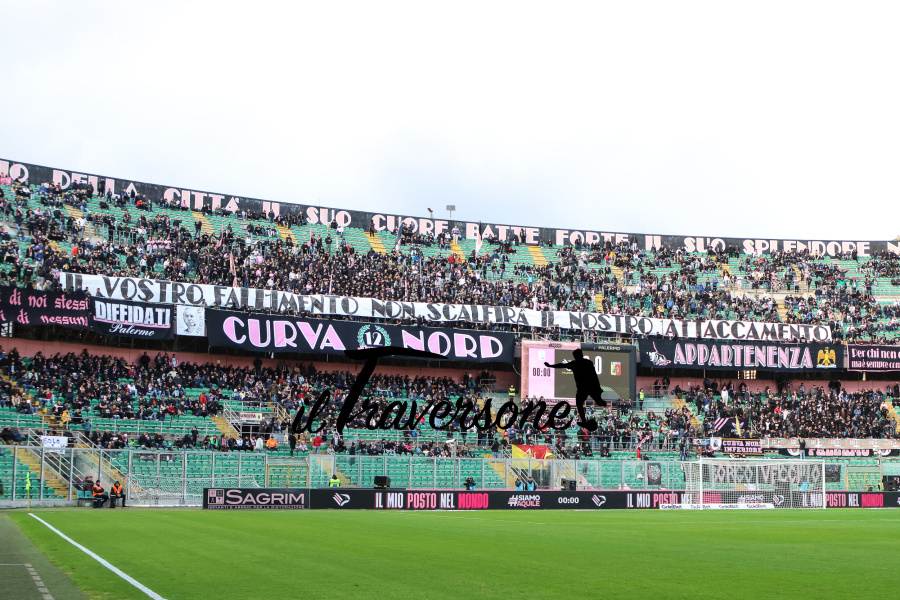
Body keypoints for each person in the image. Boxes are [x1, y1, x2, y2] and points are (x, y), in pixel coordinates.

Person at [544, 349, 604, 431]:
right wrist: (598, 388)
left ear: (576, 356)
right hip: (590, 387)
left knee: (579, 404)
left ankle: (584, 421)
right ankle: (585, 422)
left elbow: (562, 365)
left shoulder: (574, 363)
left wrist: (551, 366)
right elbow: (594, 375)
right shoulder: (588, 362)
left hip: (583, 388)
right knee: (595, 402)